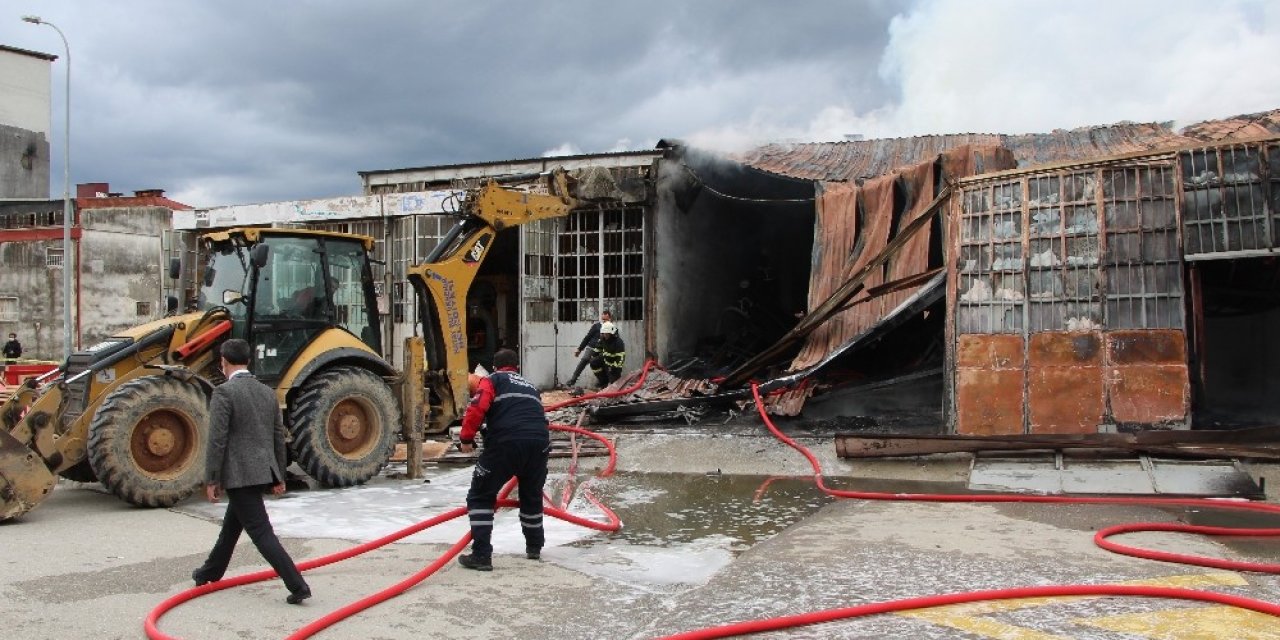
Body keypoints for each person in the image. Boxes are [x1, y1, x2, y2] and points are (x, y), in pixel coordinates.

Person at [191, 338, 311, 604]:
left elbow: (217, 439)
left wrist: (212, 479)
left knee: (261, 532)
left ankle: (298, 585)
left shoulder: (224, 393)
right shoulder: (267, 392)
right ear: (248, 360)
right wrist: (279, 475)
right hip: (262, 471)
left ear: (223, 362)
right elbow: (278, 436)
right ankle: (209, 572)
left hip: (240, 474)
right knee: (231, 528)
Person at [457, 348, 550, 571]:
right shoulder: (530, 386)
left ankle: (481, 555)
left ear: (495, 367)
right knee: (531, 496)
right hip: (539, 445)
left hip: (506, 443)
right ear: (516, 367)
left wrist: (466, 439)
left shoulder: (492, 380)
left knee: (480, 496)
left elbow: (477, 408)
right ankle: (534, 547)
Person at [565, 309, 612, 387]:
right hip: (591, 347)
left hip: (602, 350)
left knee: (602, 365)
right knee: (584, 360)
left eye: (606, 320)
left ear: (610, 319)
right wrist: (579, 349)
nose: (604, 321)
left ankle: (603, 382)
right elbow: (587, 338)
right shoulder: (596, 326)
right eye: (603, 319)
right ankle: (573, 380)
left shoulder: (612, 328)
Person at [590, 321, 626, 388]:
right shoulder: (603, 339)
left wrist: (613, 368)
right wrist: (593, 355)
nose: (605, 335)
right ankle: (603, 381)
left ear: (611, 333)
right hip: (605, 360)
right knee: (593, 362)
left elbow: (620, 358)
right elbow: (598, 348)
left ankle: (609, 382)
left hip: (614, 367)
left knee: (613, 385)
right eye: (604, 333)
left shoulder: (618, 342)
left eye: (607, 334)